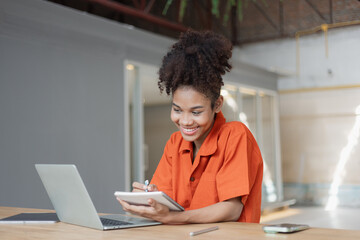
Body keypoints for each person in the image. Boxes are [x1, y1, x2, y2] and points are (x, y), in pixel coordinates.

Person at [117, 30, 263, 224]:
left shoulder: (235, 135)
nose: (185, 121)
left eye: (196, 112)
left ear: (217, 105)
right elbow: (167, 203)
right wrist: (148, 199)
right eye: (177, 110)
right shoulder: (174, 144)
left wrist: (175, 217)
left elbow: (232, 209)